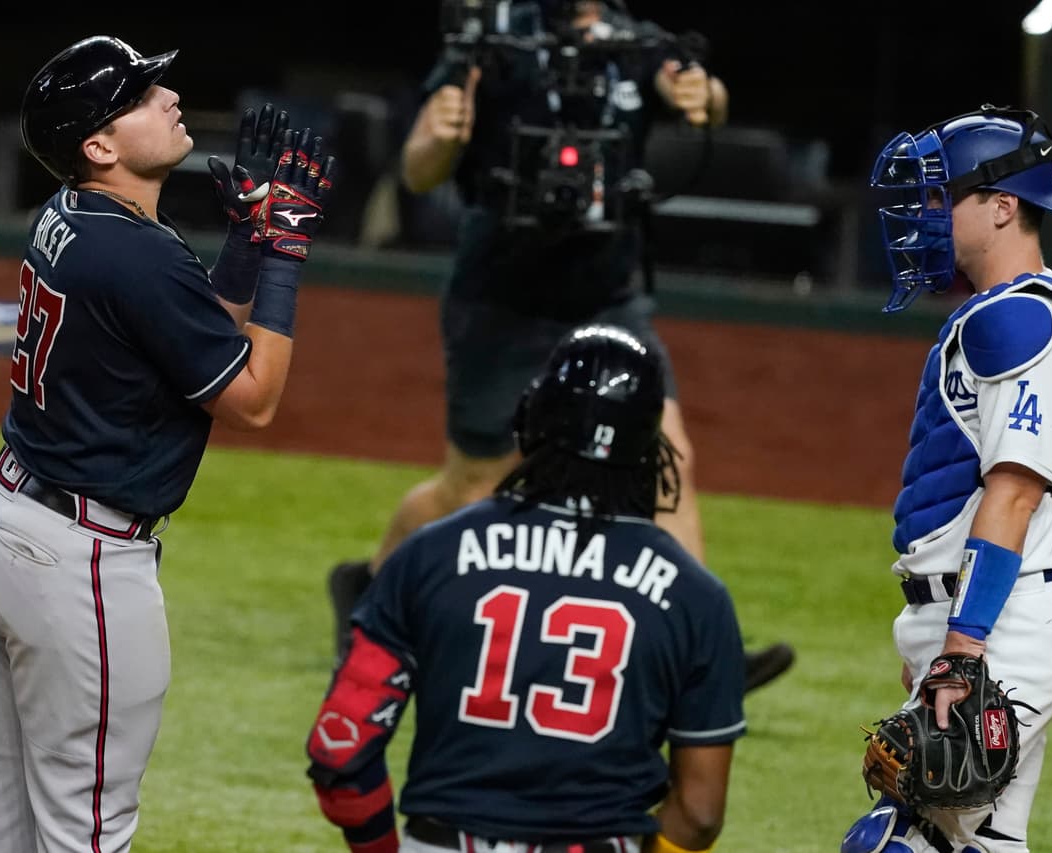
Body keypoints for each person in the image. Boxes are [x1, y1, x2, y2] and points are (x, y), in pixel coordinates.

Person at [327, 0, 794, 693]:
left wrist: (704, 93)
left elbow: (701, 94)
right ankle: (367, 590)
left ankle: (699, 656)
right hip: (502, 296)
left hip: (608, 292)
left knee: (667, 460)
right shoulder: (493, 41)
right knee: (473, 482)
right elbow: (420, 169)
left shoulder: (634, 42)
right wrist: (444, 136)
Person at [0, 35, 335, 852]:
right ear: (100, 146)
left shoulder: (75, 215)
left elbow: (191, 334)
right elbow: (253, 399)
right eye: (142, 96)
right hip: (73, 556)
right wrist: (287, 251)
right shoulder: (133, 252)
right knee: (89, 827)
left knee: (7, 811)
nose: (169, 97)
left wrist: (247, 242)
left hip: (3, 516)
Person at [306, 323, 745, 853]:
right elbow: (699, 813)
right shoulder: (696, 596)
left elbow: (341, 752)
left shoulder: (430, 554)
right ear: (652, 449)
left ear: (532, 421)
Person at [842, 105, 1052, 853]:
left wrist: (959, 645)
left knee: (894, 843)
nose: (927, 215)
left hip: (1002, 625)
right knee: (986, 844)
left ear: (1004, 206)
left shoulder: (1023, 324)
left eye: (943, 196)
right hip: (987, 618)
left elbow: (1014, 492)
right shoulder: (1003, 316)